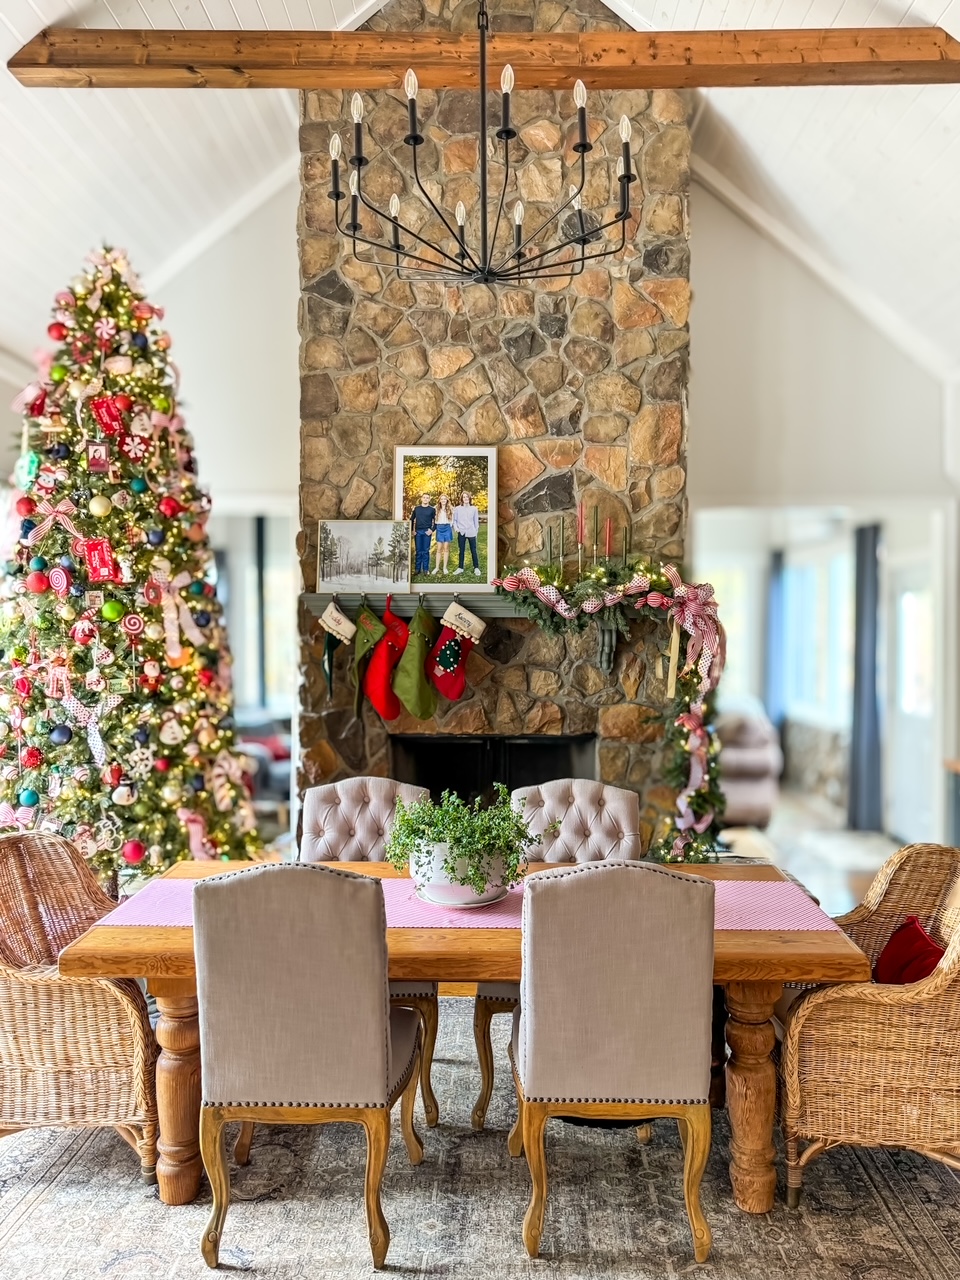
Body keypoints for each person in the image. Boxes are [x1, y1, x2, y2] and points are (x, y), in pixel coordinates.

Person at [452, 490, 481, 578]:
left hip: (471, 532)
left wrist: (475, 532)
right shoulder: (457, 509)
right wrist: (457, 529)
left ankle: (476, 568)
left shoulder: (474, 509)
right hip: (462, 532)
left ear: (469, 498)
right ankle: (460, 568)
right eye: (464, 497)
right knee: (461, 551)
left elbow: (476, 522)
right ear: (462, 499)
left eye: (467, 497)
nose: (465, 498)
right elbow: (454, 521)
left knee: (473, 551)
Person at [410, 493, 436, 576]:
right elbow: (411, 519)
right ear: (421, 499)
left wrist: (431, 530)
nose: (425, 499)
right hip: (418, 532)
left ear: (429, 499)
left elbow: (436, 521)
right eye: (424, 497)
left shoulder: (432, 510)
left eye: (427, 498)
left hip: (426, 532)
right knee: (418, 551)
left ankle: (425, 569)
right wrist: (412, 530)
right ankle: (417, 569)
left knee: (425, 551)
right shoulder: (416, 509)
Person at [432, 494, 453, 576]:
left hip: (447, 528)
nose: (443, 500)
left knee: (446, 548)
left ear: (447, 500)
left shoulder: (450, 508)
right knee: (439, 548)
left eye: (445, 499)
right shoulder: (435, 508)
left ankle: (444, 568)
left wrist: (450, 526)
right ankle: (436, 567)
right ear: (439, 500)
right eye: (442, 499)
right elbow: (433, 519)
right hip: (439, 528)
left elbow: (453, 519)